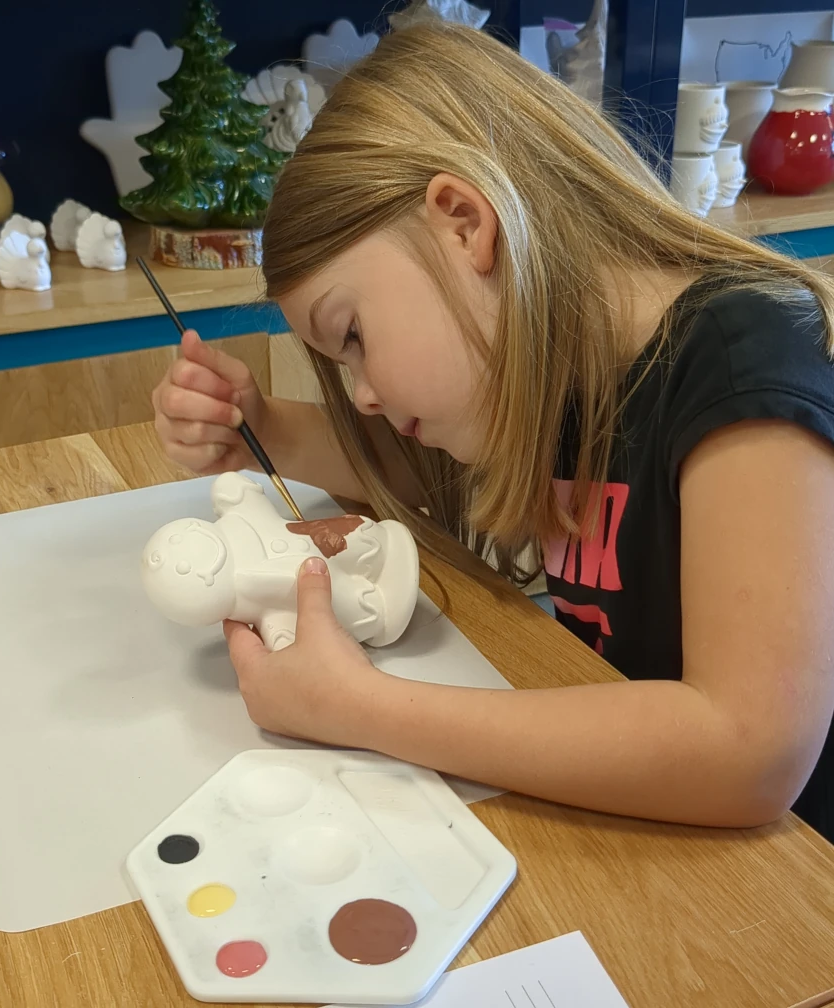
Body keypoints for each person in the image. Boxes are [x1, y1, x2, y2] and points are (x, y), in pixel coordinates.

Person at [152, 23, 834, 840]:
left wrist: (362, 709)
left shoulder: (740, 365)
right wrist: (255, 427)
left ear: (464, 223)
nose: (362, 396)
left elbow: (748, 751)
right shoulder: (560, 368)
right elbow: (420, 476)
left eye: (355, 336)